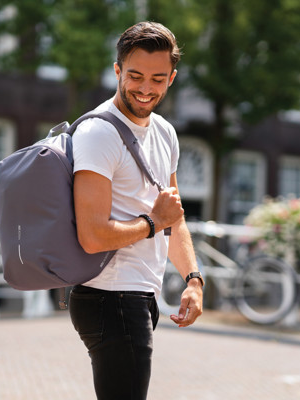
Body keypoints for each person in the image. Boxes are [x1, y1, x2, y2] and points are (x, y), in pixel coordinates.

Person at [69, 21, 204, 400]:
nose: (145, 88)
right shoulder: (99, 135)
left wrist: (193, 278)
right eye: (135, 76)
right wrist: (151, 222)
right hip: (108, 295)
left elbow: (172, 217)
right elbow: (92, 235)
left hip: (140, 294)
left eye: (158, 79)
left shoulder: (164, 133)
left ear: (172, 78)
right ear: (117, 70)